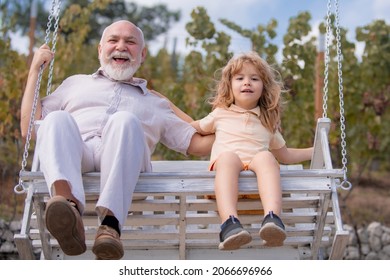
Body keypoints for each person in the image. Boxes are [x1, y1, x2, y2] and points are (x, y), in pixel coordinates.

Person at [20, 20, 213, 260]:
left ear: (142, 54)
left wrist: (242, 124)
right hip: (77, 155)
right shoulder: (74, 83)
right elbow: (30, 129)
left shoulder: (155, 103)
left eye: (130, 42)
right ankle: (67, 209)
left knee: (125, 120)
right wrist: (35, 71)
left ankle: (110, 225)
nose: (121, 46)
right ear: (100, 50)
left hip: (126, 164)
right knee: (56, 119)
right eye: (113, 40)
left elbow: (197, 144)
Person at [191, 51, 313, 250]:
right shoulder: (220, 114)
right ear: (229, 86)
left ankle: (272, 219)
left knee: (266, 156)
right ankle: (230, 224)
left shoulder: (267, 122)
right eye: (240, 78)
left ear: (263, 87)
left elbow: (285, 155)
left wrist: (315, 151)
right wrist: (163, 116)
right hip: (226, 181)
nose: (247, 82)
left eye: (254, 78)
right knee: (228, 158)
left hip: (257, 189)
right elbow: (193, 127)